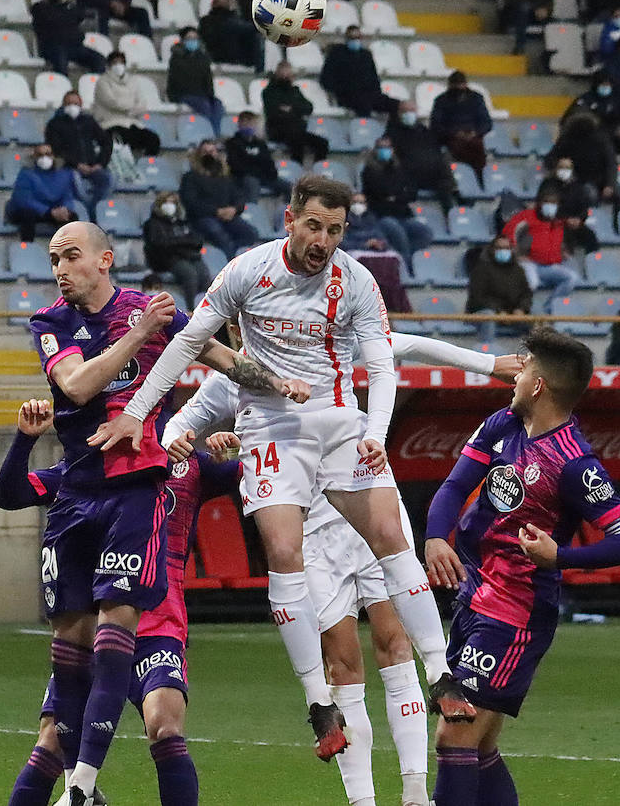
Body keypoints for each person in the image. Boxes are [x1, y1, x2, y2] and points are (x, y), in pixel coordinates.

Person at [93, 177, 473, 761]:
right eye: (315, 226)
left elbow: (385, 360)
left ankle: (441, 672)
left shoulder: (358, 282)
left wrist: (375, 434)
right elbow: (189, 340)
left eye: (336, 230)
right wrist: (140, 414)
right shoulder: (248, 271)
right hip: (274, 429)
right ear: (290, 220)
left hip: (341, 422)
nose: (324, 240)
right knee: (283, 552)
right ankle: (318, 701)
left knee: (393, 539)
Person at [163, 336, 522, 806]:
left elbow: (403, 343)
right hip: (312, 537)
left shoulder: (323, 348)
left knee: (395, 644)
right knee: (343, 662)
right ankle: (363, 801)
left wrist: (489, 362)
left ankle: (414, 792)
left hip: (366, 514)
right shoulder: (228, 384)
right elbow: (174, 429)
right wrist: (190, 444)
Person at [24, 221, 293, 803]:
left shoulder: (151, 311)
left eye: (71, 257)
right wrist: (141, 333)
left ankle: (83, 786)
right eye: (53, 260)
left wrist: (282, 385)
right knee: (67, 657)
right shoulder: (53, 323)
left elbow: (223, 358)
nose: (60, 269)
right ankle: (74, 784)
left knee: (122, 637)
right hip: (74, 493)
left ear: (104, 259)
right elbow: (77, 387)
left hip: (135, 490)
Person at [425, 327, 620, 804]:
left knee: (453, 736)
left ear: (538, 385)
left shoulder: (574, 463)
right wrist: (436, 537)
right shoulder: (502, 424)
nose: (515, 375)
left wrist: (559, 556)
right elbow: (454, 487)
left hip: (515, 614)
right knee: (479, 747)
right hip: (473, 598)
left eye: (522, 368)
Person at [0, 402, 229, 806]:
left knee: (166, 726)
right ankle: (79, 790)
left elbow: (253, 476)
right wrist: (25, 439)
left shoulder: (188, 464)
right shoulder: (84, 472)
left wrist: (231, 448)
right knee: (51, 741)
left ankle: (81, 791)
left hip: (157, 626)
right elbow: (10, 493)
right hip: (96, 623)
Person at [360, 137, 433, 271]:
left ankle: (409, 257)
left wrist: (395, 197)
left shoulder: (400, 169)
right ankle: (407, 268)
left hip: (403, 215)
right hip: (382, 216)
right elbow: (379, 192)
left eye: (388, 147)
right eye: (381, 148)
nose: (385, 151)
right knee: (399, 233)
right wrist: (397, 195)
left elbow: (411, 192)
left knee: (424, 232)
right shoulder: (369, 171)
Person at [500, 190, 582, 308]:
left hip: (549, 266)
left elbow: (565, 239)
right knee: (532, 282)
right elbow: (509, 231)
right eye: (546, 202)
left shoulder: (558, 221)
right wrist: (516, 253)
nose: (550, 206)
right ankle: (517, 308)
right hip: (529, 262)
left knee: (571, 278)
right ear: (540, 204)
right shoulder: (528, 216)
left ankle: (548, 308)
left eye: (553, 203)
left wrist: (563, 251)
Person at [179, 139, 258, 258]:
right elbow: (191, 203)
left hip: (228, 216)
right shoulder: (190, 177)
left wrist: (234, 209)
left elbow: (239, 197)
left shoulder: (225, 176)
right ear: (199, 155)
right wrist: (216, 211)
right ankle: (230, 266)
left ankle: (234, 256)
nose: (209, 154)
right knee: (219, 234)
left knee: (251, 234)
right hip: (203, 218)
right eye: (205, 151)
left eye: (212, 151)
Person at [385, 101, 461, 212]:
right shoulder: (392, 133)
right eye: (405, 111)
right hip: (409, 176)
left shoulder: (424, 131)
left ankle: (452, 210)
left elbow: (435, 148)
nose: (408, 114)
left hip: (432, 174)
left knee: (444, 174)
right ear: (399, 113)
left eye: (411, 111)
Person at [6, 144, 90, 242]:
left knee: (72, 217)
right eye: (40, 155)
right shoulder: (26, 173)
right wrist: (48, 211)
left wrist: (65, 209)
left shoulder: (64, 174)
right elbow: (24, 200)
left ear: (53, 156)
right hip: (31, 210)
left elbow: (68, 196)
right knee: (27, 215)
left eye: (48, 154)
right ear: (34, 157)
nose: (44, 158)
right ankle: (27, 249)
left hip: (53, 211)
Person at [142, 191, 210, 309]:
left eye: (173, 202)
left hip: (189, 256)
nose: (170, 205)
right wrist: (183, 242)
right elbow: (160, 244)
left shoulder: (183, 222)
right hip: (166, 260)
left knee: (204, 274)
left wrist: (178, 242)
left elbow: (197, 241)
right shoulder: (152, 224)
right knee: (190, 275)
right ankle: (191, 309)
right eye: (166, 202)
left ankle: (206, 309)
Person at [46, 91, 113, 212]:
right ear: (63, 105)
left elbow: (106, 142)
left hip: (92, 167)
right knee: (75, 179)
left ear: (81, 105)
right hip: (69, 168)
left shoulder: (88, 121)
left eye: (76, 103)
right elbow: (56, 149)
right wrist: (77, 164)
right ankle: (88, 211)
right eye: (69, 103)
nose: (72, 106)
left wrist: (100, 164)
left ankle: (95, 209)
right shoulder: (54, 124)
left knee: (108, 178)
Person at [320, 26, 399, 118]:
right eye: (352, 38)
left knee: (396, 105)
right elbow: (326, 79)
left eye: (357, 38)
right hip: (348, 96)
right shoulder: (336, 54)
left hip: (370, 94)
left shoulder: (366, 55)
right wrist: (342, 90)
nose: (355, 41)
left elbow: (374, 78)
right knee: (364, 106)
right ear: (346, 38)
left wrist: (377, 93)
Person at [91, 52, 160, 156]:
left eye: (121, 63)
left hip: (132, 123)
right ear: (109, 65)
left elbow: (142, 103)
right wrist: (132, 107)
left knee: (153, 139)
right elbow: (112, 102)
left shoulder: (133, 81)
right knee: (120, 139)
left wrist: (131, 108)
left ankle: (145, 166)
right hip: (111, 124)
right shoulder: (102, 82)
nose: (118, 66)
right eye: (115, 63)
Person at [31, 0, 108, 75]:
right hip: (53, 47)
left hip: (75, 46)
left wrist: (65, 5)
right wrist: (61, 7)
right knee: (61, 63)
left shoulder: (69, 7)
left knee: (99, 59)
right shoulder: (40, 8)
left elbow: (80, 14)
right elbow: (51, 18)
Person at [466, 236, 533, 342]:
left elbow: (526, 293)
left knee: (536, 323)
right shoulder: (481, 269)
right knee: (489, 316)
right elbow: (477, 297)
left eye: (507, 248)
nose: (503, 251)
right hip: (483, 312)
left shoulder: (518, 270)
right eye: (500, 248)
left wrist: (521, 309)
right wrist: (498, 311)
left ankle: (536, 356)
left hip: (512, 314)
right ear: (492, 249)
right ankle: (488, 350)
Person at [430, 71, 492, 184]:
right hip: (451, 138)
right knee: (460, 149)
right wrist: (454, 133)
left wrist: (475, 132)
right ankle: (463, 183)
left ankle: (480, 182)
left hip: (474, 137)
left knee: (477, 147)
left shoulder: (476, 99)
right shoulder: (441, 101)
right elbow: (435, 125)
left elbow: (486, 122)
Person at [261, 62, 327, 165]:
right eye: (284, 73)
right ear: (278, 73)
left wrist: (291, 109)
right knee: (297, 141)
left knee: (322, 143)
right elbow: (274, 113)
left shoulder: (295, 91)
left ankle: (318, 169)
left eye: (288, 73)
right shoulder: (269, 92)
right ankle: (297, 169)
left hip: (297, 129)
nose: (287, 76)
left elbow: (308, 107)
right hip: (278, 130)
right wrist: (295, 110)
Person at [167, 27, 225, 136]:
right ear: (183, 40)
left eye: (195, 38)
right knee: (205, 106)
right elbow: (175, 81)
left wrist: (210, 96)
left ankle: (216, 132)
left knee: (218, 105)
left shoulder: (202, 58)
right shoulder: (176, 58)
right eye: (189, 38)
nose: (192, 41)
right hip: (184, 94)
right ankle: (213, 135)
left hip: (202, 95)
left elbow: (208, 79)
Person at [226, 110, 289, 199]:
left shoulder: (260, 144)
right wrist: (256, 165)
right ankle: (252, 211)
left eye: (250, 123)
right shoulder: (233, 143)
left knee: (290, 187)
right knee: (253, 184)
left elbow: (268, 162)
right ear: (239, 124)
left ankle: (291, 211)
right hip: (243, 178)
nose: (248, 125)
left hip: (263, 176)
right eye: (245, 122)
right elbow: (236, 165)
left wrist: (271, 173)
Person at [199, 0, 264, 72]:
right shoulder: (210, 21)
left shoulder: (235, 20)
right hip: (226, 60)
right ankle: (259, 71)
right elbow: (238, 27)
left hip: (237, 60)